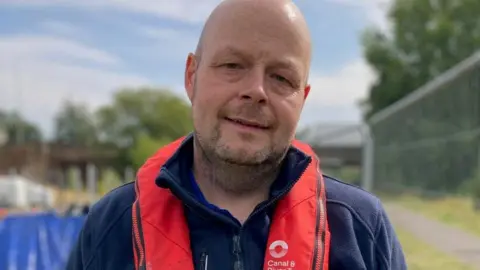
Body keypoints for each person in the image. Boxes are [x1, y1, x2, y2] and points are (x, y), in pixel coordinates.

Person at [66, 0, 406, 269]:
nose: (256, 90)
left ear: (301, 100)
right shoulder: (112, 225)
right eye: (232, 65)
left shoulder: (361, 227)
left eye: (282, 78)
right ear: (191, 77)